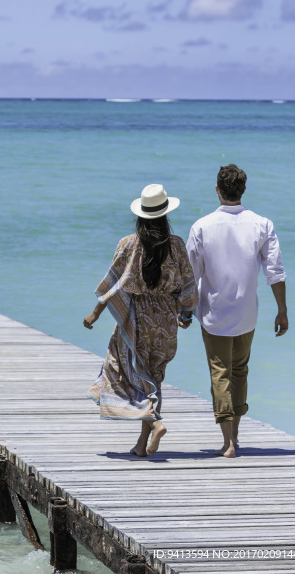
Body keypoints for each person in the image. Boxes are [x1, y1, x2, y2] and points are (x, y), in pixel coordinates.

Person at [85, 184, 198, 457]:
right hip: (166, 321)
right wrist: (185, 314)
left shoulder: (128, 244)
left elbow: (114, 286)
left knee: (120, 369)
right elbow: (188, 287)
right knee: (153, 378)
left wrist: (95, 313)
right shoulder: (177, 245)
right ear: (165, 215)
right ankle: (142, 443)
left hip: (137, 319)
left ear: (141, 215)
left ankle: (156, 423)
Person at [187, 164, 287, 459]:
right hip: (247, 314)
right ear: (243, 190)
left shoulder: (201, 226)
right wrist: (282, 311)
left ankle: (228, 441)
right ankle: (236, 435)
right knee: (240, 371)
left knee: (220, 373)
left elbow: (192, 276)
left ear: (217, 189)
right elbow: (275, 272)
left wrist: (184, 310)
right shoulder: (262, 224)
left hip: (213, 314)